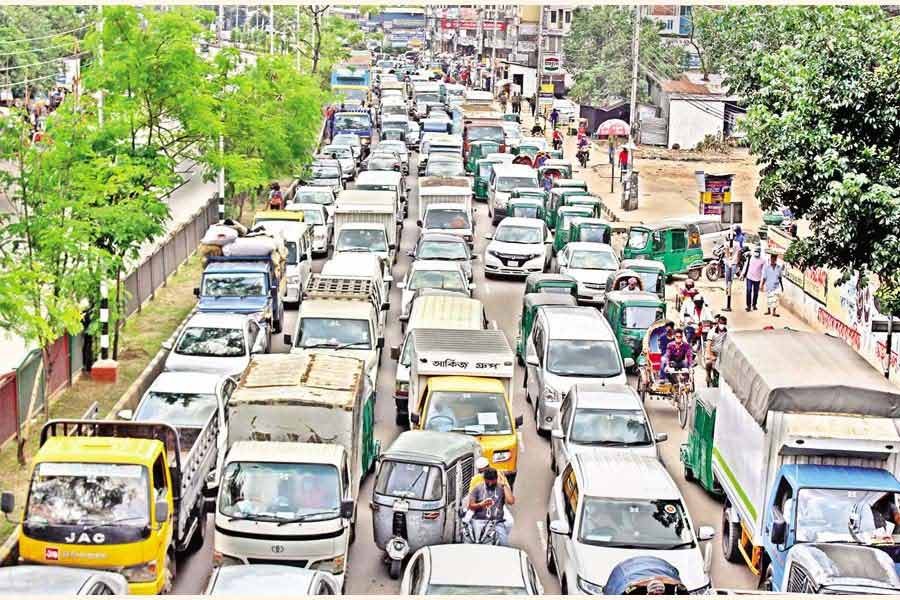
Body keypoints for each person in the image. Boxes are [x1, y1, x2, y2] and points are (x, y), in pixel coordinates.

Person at [468, 468, 514, 545]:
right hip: (479, 521)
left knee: (504, 544)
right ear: (484, 479)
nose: (490, 484)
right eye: (487, 481)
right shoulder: (477, 488)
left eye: (492, 481)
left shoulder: (501, 488)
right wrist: (481, 504)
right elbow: (471, 506)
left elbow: (511, 501)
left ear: (496, 479)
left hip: (497, 522)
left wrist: (504, 485)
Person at [761, 251, 785, 317]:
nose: (773, 260)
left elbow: (780, 278)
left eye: (774, 259)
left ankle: (774, 312)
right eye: (772, 258)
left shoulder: (779, 268)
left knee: (775, 299)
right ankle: (768, 310)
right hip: (768, 285)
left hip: (776, 286)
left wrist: (782, 286)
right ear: (770, 259)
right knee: (769, 298)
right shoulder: (767, 268)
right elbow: (764, 277)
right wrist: (762, 285)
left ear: (776, 259)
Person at [743, 246, 765, 311]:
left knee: (756, 293)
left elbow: (763, 271)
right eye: (755, 251)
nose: (756, 253)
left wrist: (762, 281)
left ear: (760, 253)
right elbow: (745, 266)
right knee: (749, 291)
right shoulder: (750, 258)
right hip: (749, 277)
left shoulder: (763, 260)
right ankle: (748, 305)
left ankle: (754, 305)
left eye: (757, 252)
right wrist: (742, 274)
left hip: (757, 279)